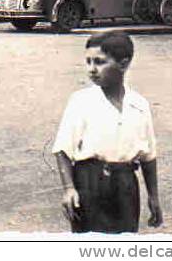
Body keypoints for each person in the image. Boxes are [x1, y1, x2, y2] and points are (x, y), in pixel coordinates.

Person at [53, 31, 162, 233]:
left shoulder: (139, 105)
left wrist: (153, 197)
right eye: (88, 62)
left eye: (100, 62)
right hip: (90, 183)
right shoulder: (81, 101)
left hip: (125, 185)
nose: (92, 69)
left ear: (123, 64)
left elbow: (149, 157)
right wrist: (69, 189)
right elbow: (62, 150)